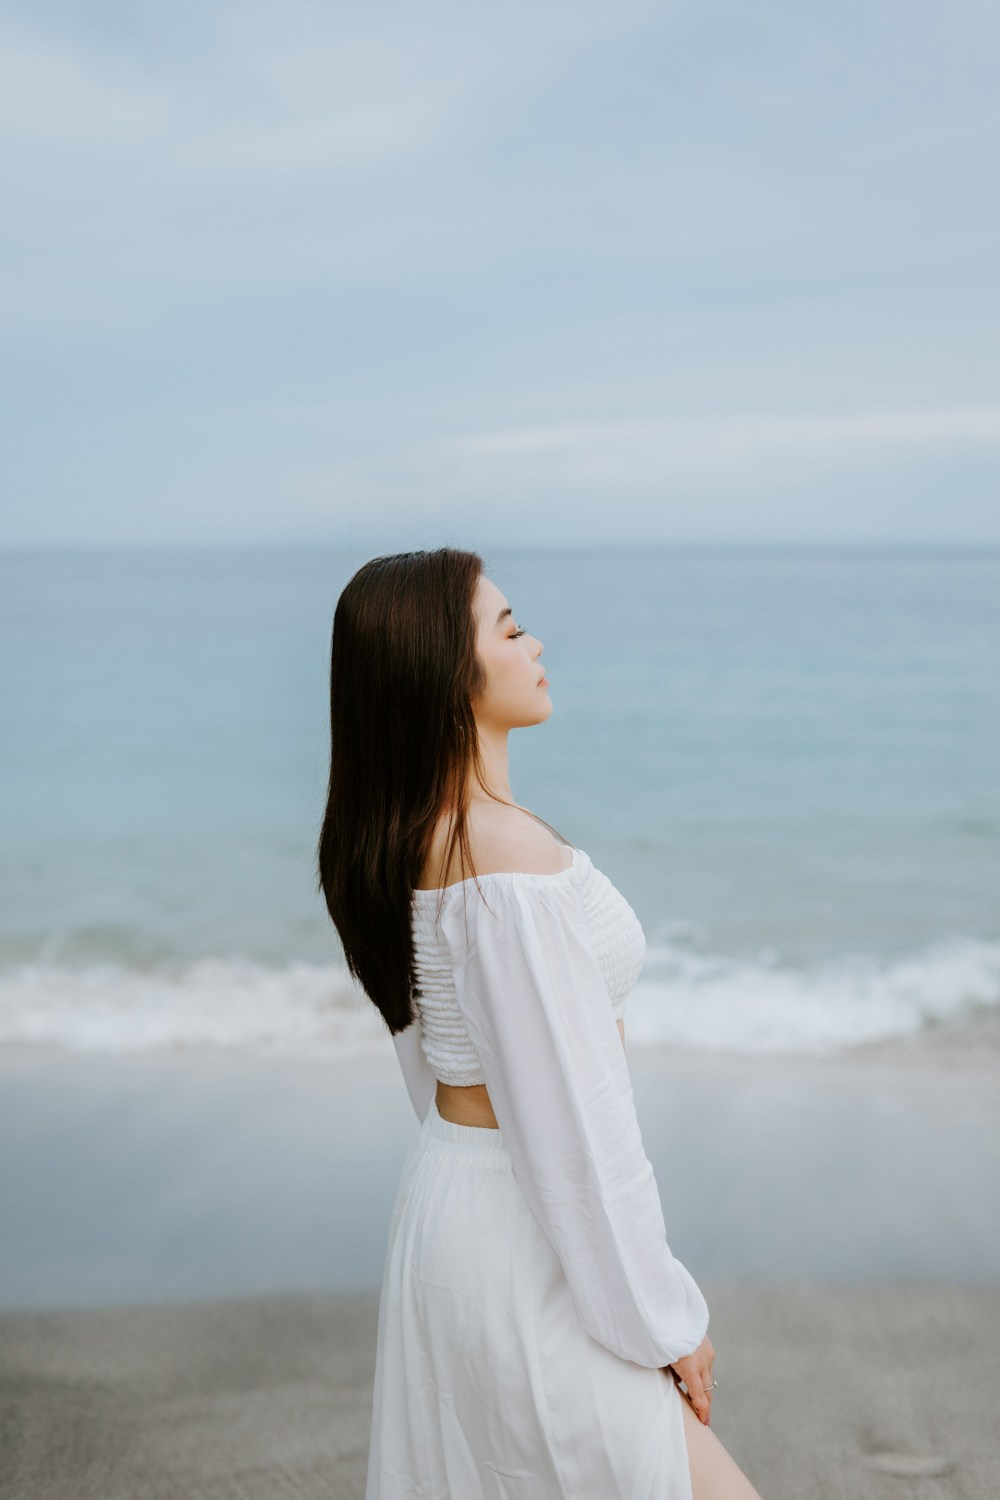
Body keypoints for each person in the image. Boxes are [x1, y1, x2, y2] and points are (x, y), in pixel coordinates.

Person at [317, 546, 762, 1499]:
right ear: (447, 676)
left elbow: (430, 1068)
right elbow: (576, 1132)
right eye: (510, 629)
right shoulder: (501, 861)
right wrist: (665, 1321)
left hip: (457, 1200)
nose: (537, 643)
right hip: (523, 1230)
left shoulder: (421, 837)